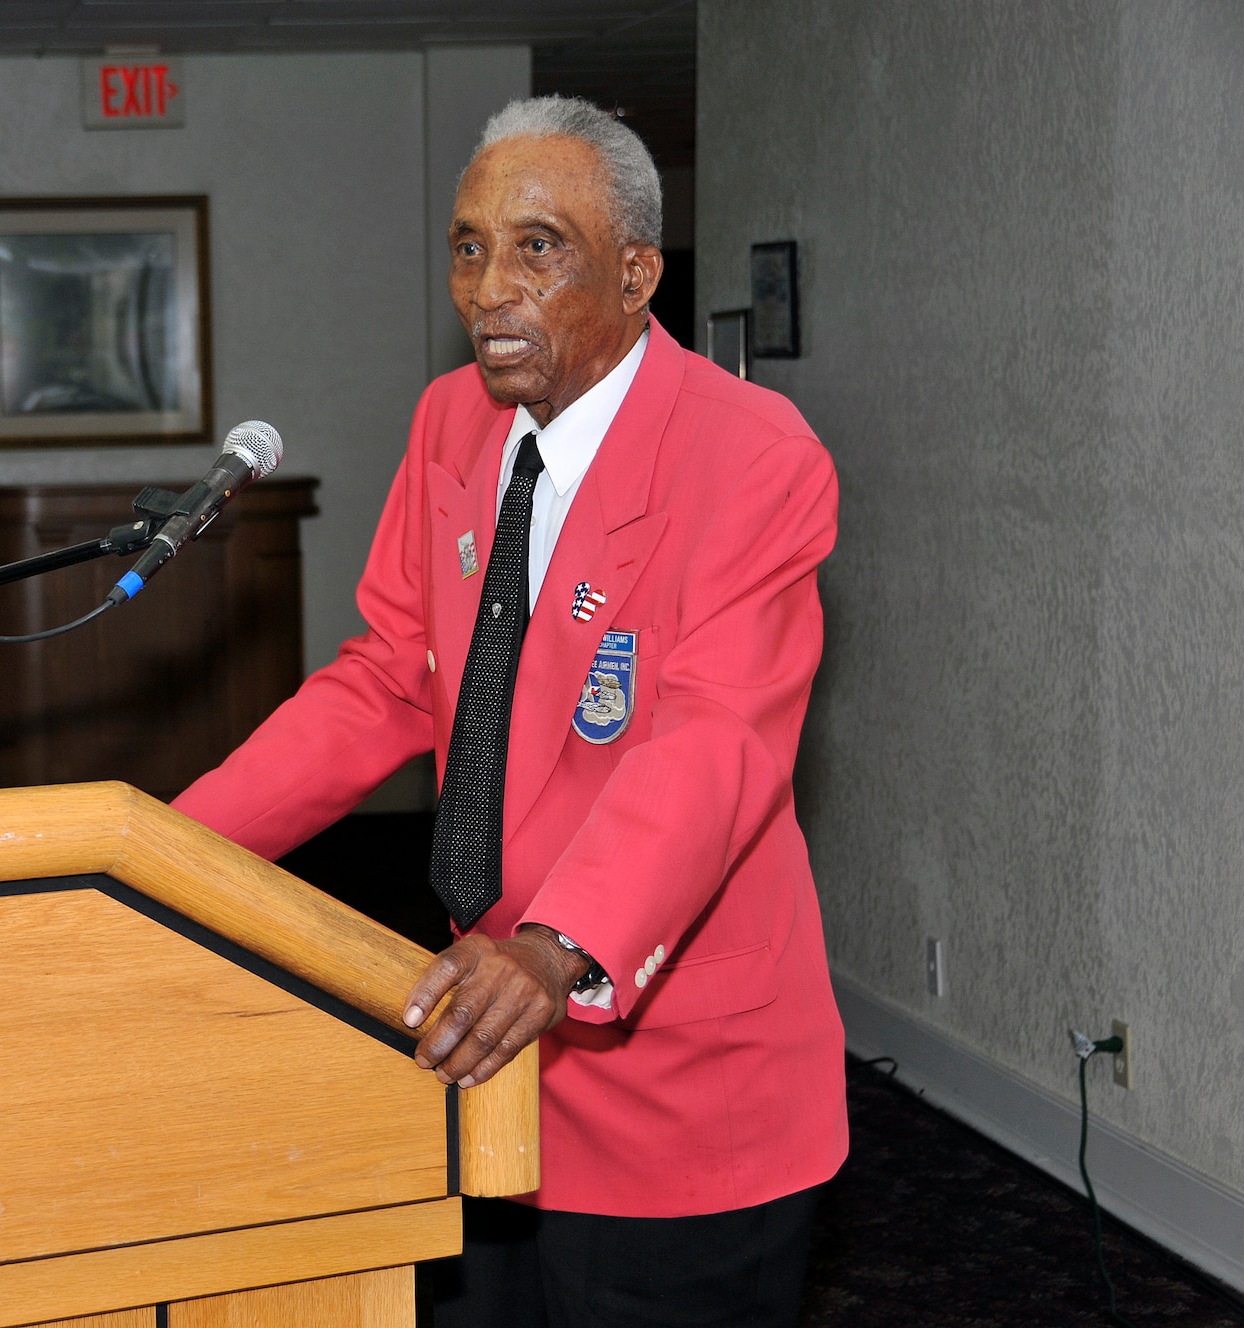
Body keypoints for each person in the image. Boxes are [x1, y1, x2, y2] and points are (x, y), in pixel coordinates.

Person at [172, 95, 847, 1328]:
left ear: (637, 273)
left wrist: (557, 942)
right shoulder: (449, 424)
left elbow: (711, 744)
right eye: (467, 245)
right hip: (484, 1056)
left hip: (674, 1075)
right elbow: (387, 677)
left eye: (538, 247)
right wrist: (168, 849)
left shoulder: (753, 454)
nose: (488, 287)